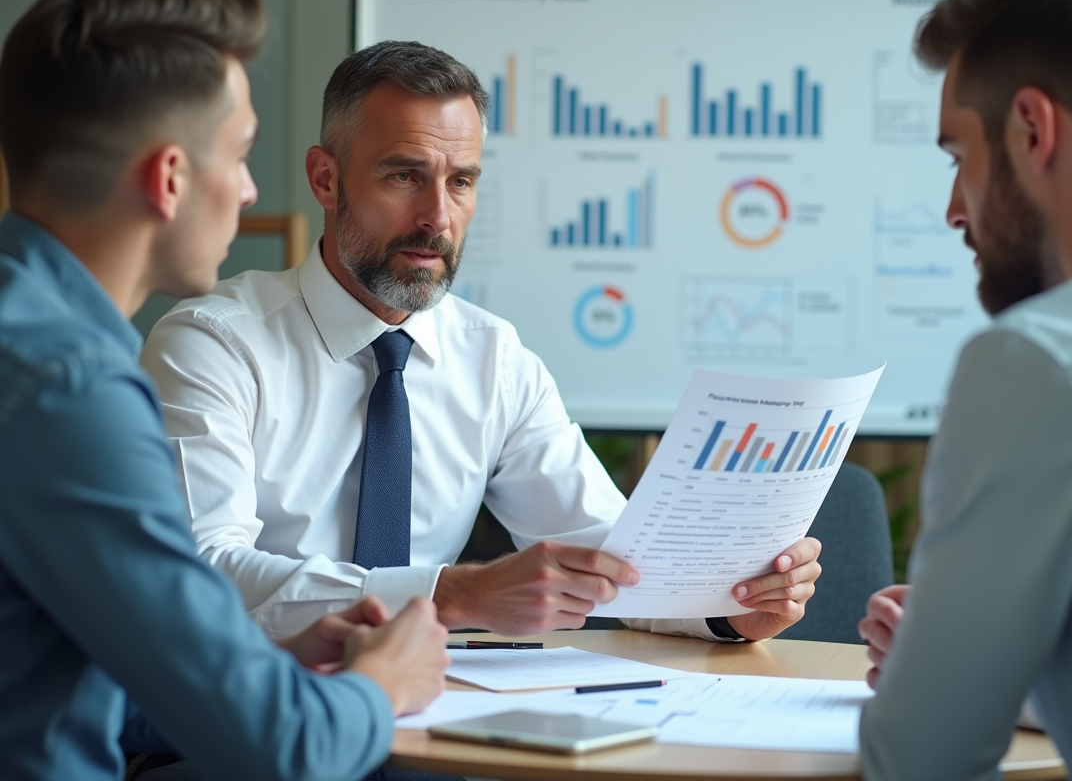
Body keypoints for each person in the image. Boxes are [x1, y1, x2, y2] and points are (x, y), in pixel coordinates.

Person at [140, 40, 823, 644]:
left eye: (460, 182)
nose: (437, 217)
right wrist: (448, 595)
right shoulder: (212, 346)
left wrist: (729, 609)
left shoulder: (493, 359)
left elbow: (615, 557)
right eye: (404, 176)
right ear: (326, 178)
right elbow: (200, 569)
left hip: (425, 722)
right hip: (240, 721)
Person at [0, 0, 450, 780]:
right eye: (240, 154)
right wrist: (382, 685)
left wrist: (261, 647)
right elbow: (281, 748)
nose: (248, 191)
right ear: (168, 178)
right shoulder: (73, 392)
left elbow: (58, 669)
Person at [855, 0, 1072, 778]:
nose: (953, 208)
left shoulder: (1045, 359)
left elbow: (921, 758)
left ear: (1031, 130)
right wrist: (1014, 657)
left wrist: (947, 667)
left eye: (958, 157)